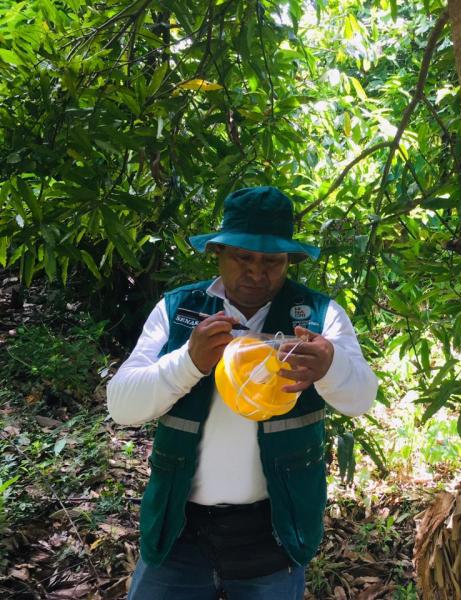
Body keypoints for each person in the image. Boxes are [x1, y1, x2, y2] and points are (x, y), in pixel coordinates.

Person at [107, 186, 378, 599]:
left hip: (275, 532)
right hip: (178, 529)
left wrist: (329, 366)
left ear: (289, 261)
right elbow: (122, 405)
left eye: (272, 261)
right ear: (218, 252)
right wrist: (189, 362)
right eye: (243, 257)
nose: (256, 272)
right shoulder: (177, 310)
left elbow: (361, 399)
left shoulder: (321, 316)